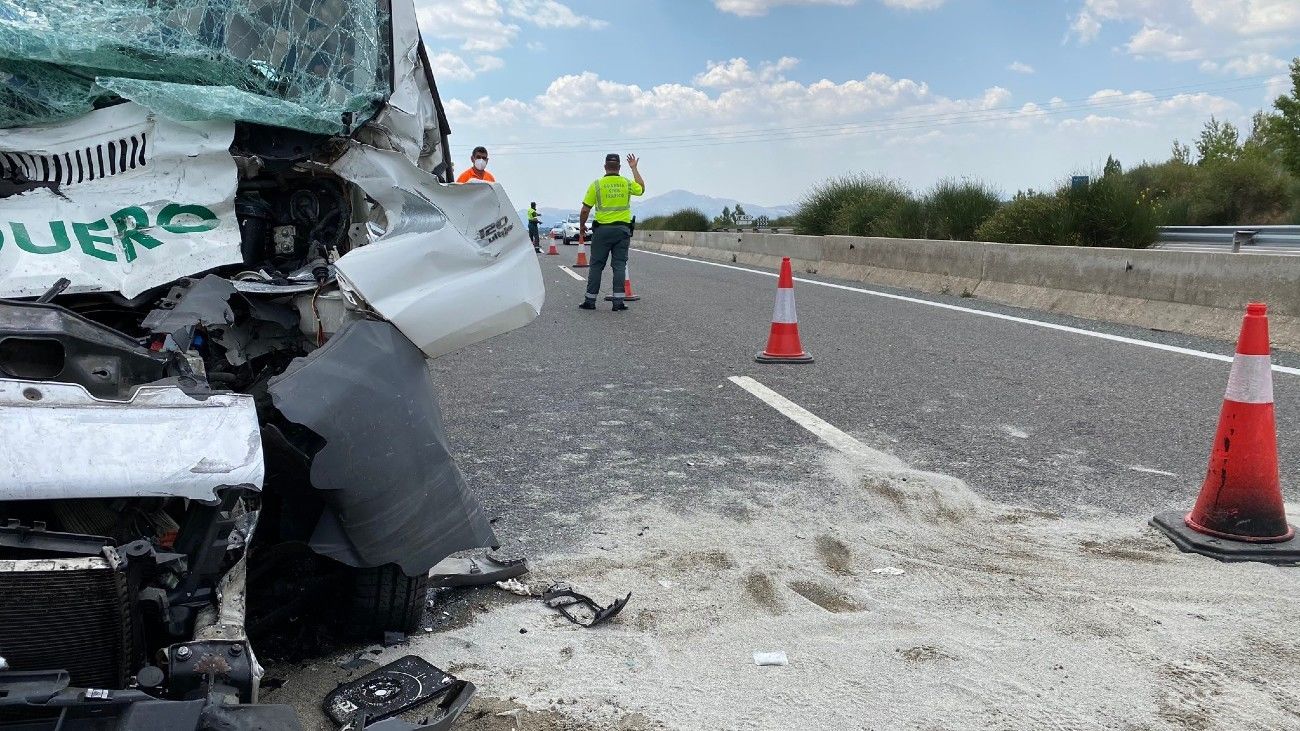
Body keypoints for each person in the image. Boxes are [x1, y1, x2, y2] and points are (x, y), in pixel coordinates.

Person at [578, 153, 644, 311]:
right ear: (619, 167)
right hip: (622, 231)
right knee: (619, 265)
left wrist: (582, 227)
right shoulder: (627, 183)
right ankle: (618, 302)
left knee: (596, 265)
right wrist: (634, 168)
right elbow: (641, 189)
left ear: (605, 167)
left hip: (602, 231)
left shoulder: (597, 185)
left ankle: (590, 301)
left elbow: (585, 210)